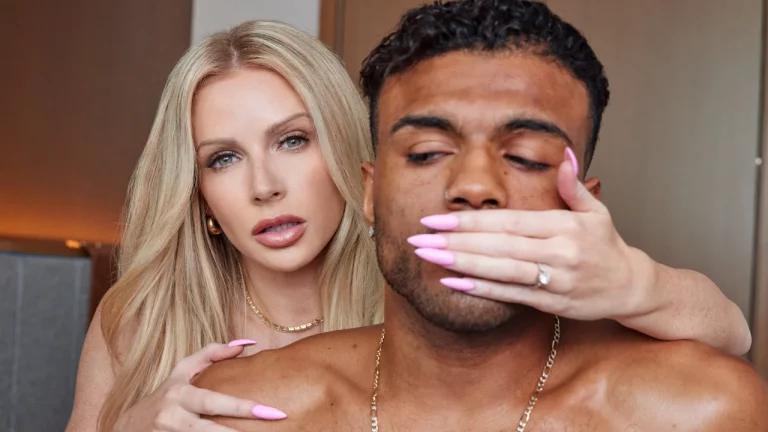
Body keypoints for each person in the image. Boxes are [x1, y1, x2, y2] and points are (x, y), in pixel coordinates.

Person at [66, 14, 752, 432]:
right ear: (197, 191)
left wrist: (631, 279)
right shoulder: (141, 317)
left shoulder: (429, 282)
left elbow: (732, 332)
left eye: (293, 140)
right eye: (223, 158)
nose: (264, 185)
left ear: (355, 164)